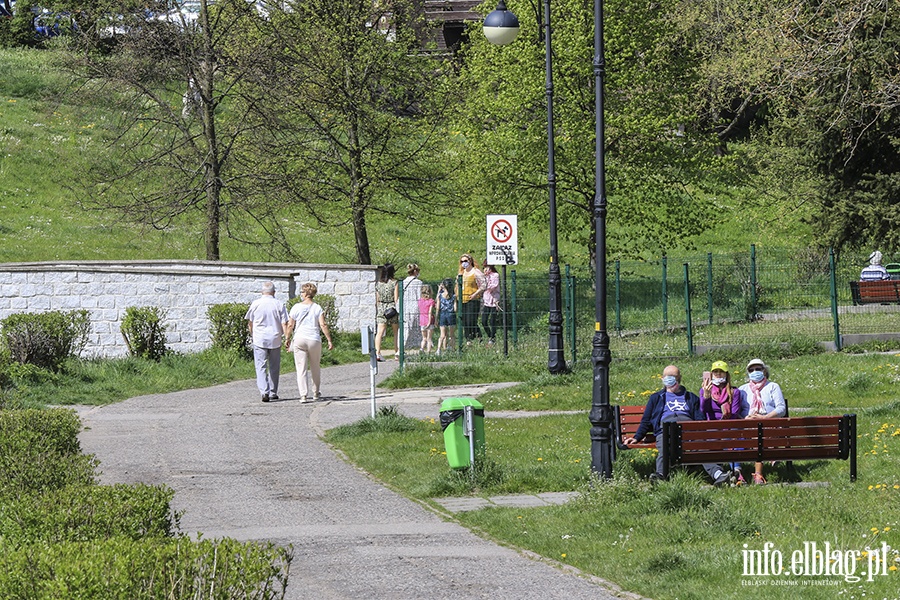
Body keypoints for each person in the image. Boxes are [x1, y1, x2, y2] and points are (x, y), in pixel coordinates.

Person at [624, 365, 735, 486]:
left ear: (679, 378)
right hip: (665, 428)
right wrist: (637, 437)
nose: (670, 379)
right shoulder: (656, 398)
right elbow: (646, 420)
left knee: (701, 446)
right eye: (667, 376)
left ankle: (718, 474)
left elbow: (699, 418)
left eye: (673, 377)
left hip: (688, 429)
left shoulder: (690, 397)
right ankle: (660, 476)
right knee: (664, 447)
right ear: (662, 378)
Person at [739, 358, 787, 485]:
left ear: (764, 370)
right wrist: (746, 418)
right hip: (750, 426)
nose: (755, 371)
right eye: (751, 370)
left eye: (758, 369)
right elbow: (737, 411)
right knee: (757, 435)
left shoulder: (772, 387)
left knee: (761, 434)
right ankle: (771, 456)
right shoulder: (742, 389)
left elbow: (781, 408)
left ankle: (759, 474)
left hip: (769, 423)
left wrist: (765, 417)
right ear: (748, 373)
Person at [284, 283, 333, 402]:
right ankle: (316, 393)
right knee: (315, 366)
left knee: (301, 368)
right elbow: (323, 324)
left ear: (306, 293)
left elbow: (290, 324)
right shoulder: (317, 307)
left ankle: (303, 395)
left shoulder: (296, 307)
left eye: (301, 292)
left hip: (300, 338)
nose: (300, 294)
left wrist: (287, 338)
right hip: (314, 339)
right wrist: (329, 340)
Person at [699, 360, 747, 483]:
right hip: (713, 426)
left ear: (726, 374)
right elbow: (704, 410)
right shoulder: (704, 390)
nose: (718, 375)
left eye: (721, 372)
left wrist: (725, 428)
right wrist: (706, 396)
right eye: (715, 372)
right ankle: (722, 473)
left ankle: (737, 471)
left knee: (735, 437)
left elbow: (734, 412)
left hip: (729, 425)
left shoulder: (734, 392)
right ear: (711, 374)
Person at [244, 281, 288, 403]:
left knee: (261, 365)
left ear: (262, 292)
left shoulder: (256, 303)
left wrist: (252, 333)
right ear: (274, 292)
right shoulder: (279, 304)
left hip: (260, 338)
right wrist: (287, 337)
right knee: (274, 366)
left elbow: (250, 322)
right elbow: (284, 322)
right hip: (275, 337)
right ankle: (273, 392)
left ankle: (264, 391)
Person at [457, 253, 485, 343]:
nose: (463, 263)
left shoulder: (476, 272)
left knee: (471, 320)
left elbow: (484, 285)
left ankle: (478, 337)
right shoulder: (461, 273)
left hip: (473, 300)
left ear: (470, 261)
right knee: (464, 321)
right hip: (462, 299)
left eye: (465, 261)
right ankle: (468, 340)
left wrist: (475, 294)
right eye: (462, 261)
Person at [374, 264, 399, 362]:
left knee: (379, 332)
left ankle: (377, 353)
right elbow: (396, 298)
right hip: (392, 308)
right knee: (395, 331)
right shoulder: (394, 282)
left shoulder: (378, 284)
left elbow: (378, 299)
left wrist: (379, 307)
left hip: (382, 308)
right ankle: (396, 353)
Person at [401, 263, 423, 350]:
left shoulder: (403, 282)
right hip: (415, 305)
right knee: (415, 326)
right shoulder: (419, 282)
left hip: (405, 305)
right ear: (415, 271)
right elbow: (419, 296)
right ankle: (415, 344)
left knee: (406, 326)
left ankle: (403, 344)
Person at [480, 263, 501, 345]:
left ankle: (492, 338)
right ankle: (489, 335)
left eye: (487, 267)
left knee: (492, 321)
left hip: (494, 300)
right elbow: (480, 285)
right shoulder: (484, 276)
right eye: (484, 267)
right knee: (484, 320)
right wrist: (484, 278)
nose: (485, 269)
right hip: (486, 300)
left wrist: (486, 280)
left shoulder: (495, 275)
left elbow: (493, 286)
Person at [436, 278, 456, 355]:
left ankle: (438, 350)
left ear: (443, 286)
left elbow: (437, 308)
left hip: (443, 314)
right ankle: (453, 349)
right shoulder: (453, 296)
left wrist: (436, 318)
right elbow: (455, 308)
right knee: (452, 335)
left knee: (442, 335)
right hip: (451, 314)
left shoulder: (440, 296)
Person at [418, 284, 436, 353]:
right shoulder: (431, 301)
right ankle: (428, 352)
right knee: (429, 338)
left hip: (422, 320)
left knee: (424, 338)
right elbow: (430, 312)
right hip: (429, 320)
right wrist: (429, 321)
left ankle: (421, 349)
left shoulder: (420, 301)